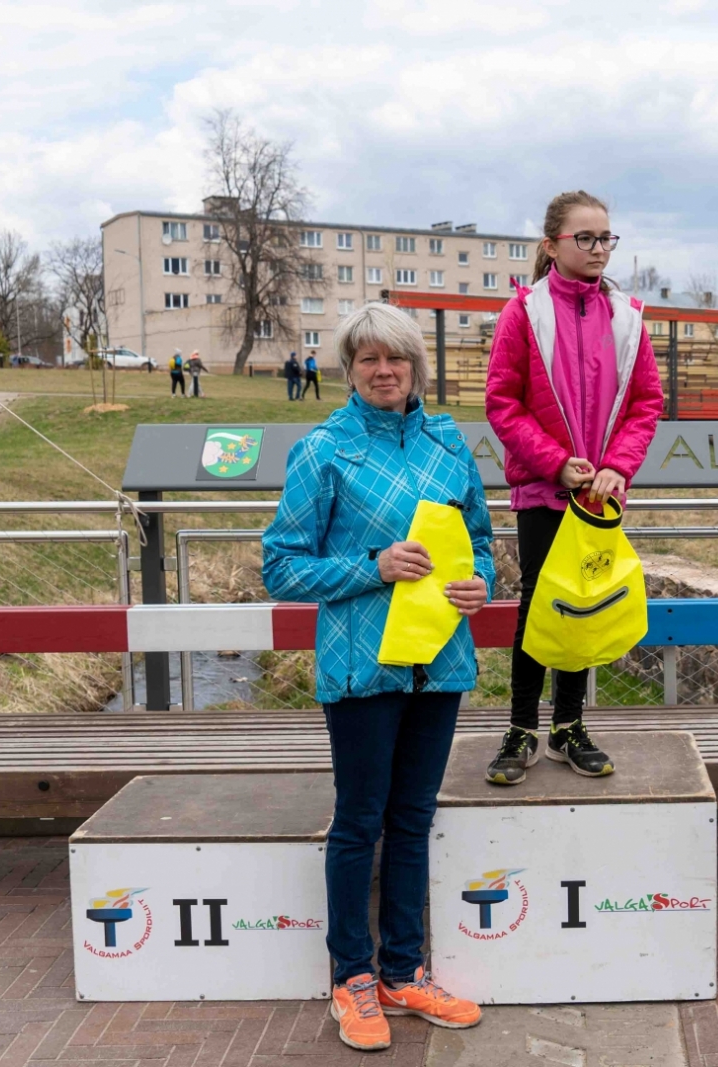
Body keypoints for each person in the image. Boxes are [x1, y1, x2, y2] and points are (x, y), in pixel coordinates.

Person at [263, 303, 493, 1052]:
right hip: (363, 666)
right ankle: (352, 976)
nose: (384, 370)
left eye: (395, 358)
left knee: (414, 819)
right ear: (349, 369)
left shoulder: (448, 440)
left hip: (441, 661)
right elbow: (280, 564)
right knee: (361, 820)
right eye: (368, 360)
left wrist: (479, 583)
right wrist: (373, 567)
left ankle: (403, 969)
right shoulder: (323, 450)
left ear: (415, 365)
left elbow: (482, 542)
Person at [484, 189, 664, 785]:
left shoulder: (628, 318)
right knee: (540, 604)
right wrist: (554, 462)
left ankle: (567, 727)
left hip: (599, 496)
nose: (597, 250)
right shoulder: (524, 314)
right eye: (583, 238)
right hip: (544, 490)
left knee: (584, 607)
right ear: (552, 245)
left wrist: (618, 465)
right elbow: (503, 403)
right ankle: (520, 728)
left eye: (605, 238)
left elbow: (646, 404)